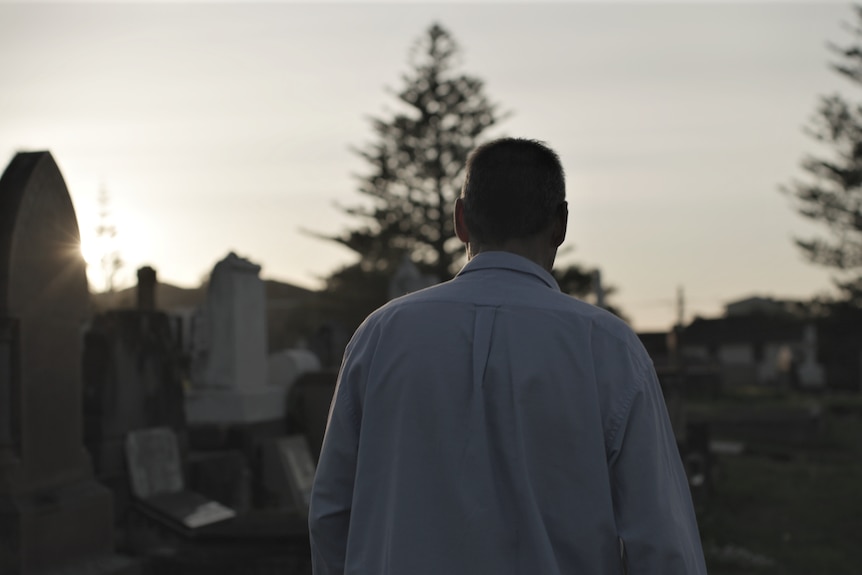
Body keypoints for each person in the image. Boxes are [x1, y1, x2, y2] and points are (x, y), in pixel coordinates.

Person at [309, 138, 707, 575]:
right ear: (561, 224)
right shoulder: (608, 347)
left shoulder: (379, 336)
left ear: (461, 219)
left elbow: (331, 515)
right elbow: (663, 544)